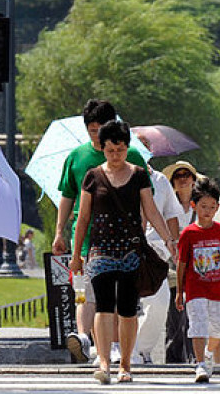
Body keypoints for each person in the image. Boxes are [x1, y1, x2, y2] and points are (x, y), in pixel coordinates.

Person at [69, 120, 175, 385]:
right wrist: (75, 255)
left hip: (131, 250)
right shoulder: (92, 176)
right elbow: (83, 218)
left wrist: (168, 239)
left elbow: (151, 210)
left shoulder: (139, 174)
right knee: (103, 307)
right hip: (100, 250)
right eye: (109, 150)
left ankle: (125, 364)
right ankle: (104, 362)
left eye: (120, 149)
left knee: (128, 309)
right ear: (102, 149)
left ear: (127, 147)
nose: (115, 156)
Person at [54, 99, 148, 364]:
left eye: (99, 129)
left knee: (118, 297)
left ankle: (114, 346)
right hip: (89, 239)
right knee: (89, 293)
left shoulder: (133, 156)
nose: (96, 136)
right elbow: (67, 196)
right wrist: (60, 232)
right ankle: (88, 342)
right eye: (91, 130)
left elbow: (145, 203)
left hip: (124, 240)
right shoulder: (76, 157)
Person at [176, 177, 220, 383]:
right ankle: (200, 364)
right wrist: (179, 292)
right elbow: (182, 263)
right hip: (195, 289)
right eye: (203, 206)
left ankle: (207, 354)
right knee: (198, 325)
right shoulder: (188, 234)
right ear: (194, 206)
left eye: (212, 207)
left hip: (218, 290)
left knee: (219, 330)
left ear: (217, 207)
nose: (207, 211)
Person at [131, 137, 182, 365]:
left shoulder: (160, 180)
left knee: (160, 303)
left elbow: (171, 213)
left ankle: (142, 349)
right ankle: (126, 350)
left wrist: (173, 244)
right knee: (127, 304)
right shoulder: (120, 178)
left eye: (145, 148)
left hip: (155, 250)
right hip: (127, 249)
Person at [162, 160, 199, 364]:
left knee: (195, 314)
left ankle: (195, 356)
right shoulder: (168, 205)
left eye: (187, 175)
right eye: (178, 176)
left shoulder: (201, 204)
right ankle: (174, 359)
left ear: (194, 180)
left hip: (197, 267)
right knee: (175, 315)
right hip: (173, 266)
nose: (183, 179)